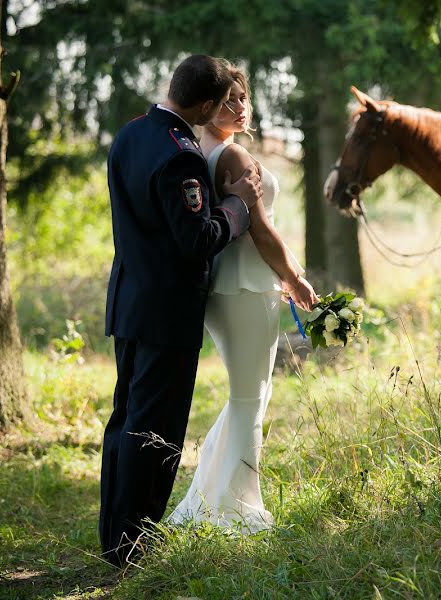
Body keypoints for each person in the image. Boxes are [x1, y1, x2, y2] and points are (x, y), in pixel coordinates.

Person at [99, 55, 263, 567]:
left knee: (124, 420)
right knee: (154, 431)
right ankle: (133, 547)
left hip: (129, 301)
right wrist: (236, 207)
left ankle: (114, 536)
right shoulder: (182, 156)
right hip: (167, 313)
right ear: (207, 104)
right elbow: (197, 240)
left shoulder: (129, 135)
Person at [168, 62, 318, 534]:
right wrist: (295, 277)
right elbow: (262, 231)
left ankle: (204, 503)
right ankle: (236, 513)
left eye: (243, 98)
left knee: (247, 395)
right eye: (229, 99)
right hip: (245, 286)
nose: (240, 106)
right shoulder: (232, 159)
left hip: (236, 284)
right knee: (251, 398)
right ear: (208, 107)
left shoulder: (205, 153)